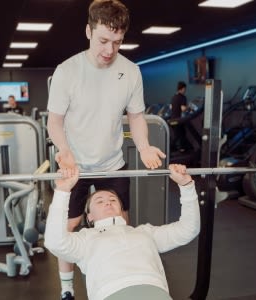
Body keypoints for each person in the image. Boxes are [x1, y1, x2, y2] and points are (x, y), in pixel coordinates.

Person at [46, 1, 166, 299]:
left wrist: (144, 146)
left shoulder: (131, 71)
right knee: (69, 229)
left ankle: (122, 276)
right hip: (75, 166)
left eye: (117, 42)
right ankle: (66, 289)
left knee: (121, 221)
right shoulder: (67, 71)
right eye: (103, 41)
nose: (109, 50)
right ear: (88, 31)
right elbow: (55, 121)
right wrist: (63, 149)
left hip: (113, 163)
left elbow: (136, 116)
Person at [44, 164, 200, 300]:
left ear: (120, 209)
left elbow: (188, 230)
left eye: (113, 199)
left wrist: (186, 186)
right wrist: (63, 191)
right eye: (99, 201)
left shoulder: (144, 232)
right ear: (89, 216)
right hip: (111, 291)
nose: (107, 202)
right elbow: (54, 242)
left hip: (153, 288)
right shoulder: (85, 239)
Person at [169, 81, 191, 152]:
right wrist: (189, 107)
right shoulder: (183, 97)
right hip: (178, 120)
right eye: (185, 89)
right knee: (180, 135)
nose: (185, 91)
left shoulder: (174, 97)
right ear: (182, 89)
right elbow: (183, 108)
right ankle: (178, 149)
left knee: (179, 134)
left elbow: (170, 107)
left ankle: (179, 148)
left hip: (172, 119)